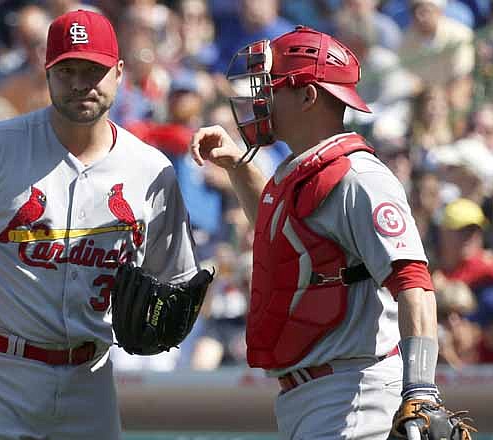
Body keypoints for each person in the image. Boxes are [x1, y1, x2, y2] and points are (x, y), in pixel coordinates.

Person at [0, 10, 200, 440]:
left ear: (119, 73)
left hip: (90, 377)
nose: (80, 82)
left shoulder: (151, 171)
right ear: (47, 74)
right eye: (67, 70)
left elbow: (176, 280)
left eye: (93, 70)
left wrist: (164, 315)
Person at [190, 26, 460, 439]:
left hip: (355, 394)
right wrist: (237, 166)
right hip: (316, 396)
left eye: (272, 87)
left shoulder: (359, 176)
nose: (260, 100)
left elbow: (414, 283)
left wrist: (421, 388)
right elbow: (281, 231)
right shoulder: (302, 171)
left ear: (308, 95)